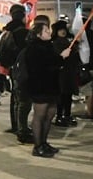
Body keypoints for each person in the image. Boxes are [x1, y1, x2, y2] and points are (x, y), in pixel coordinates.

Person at [20, 21, 71, 157]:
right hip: (40, 86)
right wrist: (61, 58)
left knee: (50, 115)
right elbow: (42, 67)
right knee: (40, 115)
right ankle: (38, 146)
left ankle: (44, 142)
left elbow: (53, 63)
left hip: (51, 85)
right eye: (46, 31)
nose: (49, 32)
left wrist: (61, 58)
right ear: (38, 34)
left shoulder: (49, 45)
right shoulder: (34, 48)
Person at [0, 4, 31, 143]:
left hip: (12, 68)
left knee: (15, 97)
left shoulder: (6, 32)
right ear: (23, 16)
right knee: (23, 100)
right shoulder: (23, 32)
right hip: (22, 69)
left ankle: (15, 125)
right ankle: (22, 129)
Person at [51, 20, 79, 127]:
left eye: (64, 30)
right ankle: (59, 116)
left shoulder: (68, 41)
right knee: (62, 95)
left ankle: (67, 114)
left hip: (70, 72)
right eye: (60, 30)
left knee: (68, 95)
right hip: (61, 73)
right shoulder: (56, 43)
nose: (62, 32)